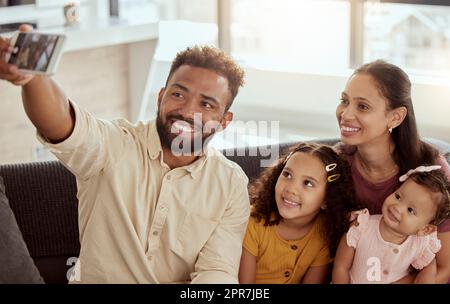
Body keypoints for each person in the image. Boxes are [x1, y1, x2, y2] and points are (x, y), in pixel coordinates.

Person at [0, 25, 250, 283]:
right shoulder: (115, 145)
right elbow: (61, 122)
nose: (187, 112)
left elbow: (217, 272)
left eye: (206, 104)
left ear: (224, 120)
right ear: (161, 97)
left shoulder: (230, 184)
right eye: (178, 94)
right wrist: (31, 76)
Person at [335, 59, 450, 283]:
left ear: (395, 117)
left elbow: (446, 268)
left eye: (362, 106)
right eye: (344, 101)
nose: (345, 114)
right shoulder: (335, 164)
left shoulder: (434, 173)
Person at [238, 143, 359, 284]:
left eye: (308, 183)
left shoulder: (325, 233)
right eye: (287, 175)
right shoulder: (252, 222)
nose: (291, 189)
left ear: (327, 199)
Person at [333, 166, 450, 284]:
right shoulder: (361, 226)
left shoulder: (420, 243)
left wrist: (427, 273)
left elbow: (428, 263)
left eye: (410, 210)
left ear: (425, 229)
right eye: (398, 197)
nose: (397, 207)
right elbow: (341, 267)